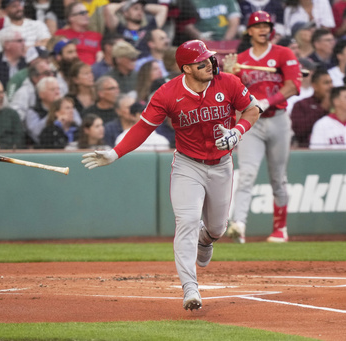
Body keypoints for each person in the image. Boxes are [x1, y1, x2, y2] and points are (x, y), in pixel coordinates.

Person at [81, 40, 260, 311]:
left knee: (217, 228)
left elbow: (253, 109)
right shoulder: (167, 93)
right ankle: (190, 288)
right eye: (202, 62)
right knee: (187, 220)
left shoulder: (228, 82)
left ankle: (206, 239)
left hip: (222, 163)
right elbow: (143, 128)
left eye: (210, 59)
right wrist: (115, 153)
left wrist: (239, 130)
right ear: (187, 68)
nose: (210, 64)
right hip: (188, 165)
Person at [223, 11, 301, 244]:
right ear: (249, 31)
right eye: (257, 26)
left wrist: (268, 101)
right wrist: (229, 74)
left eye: (266, 25)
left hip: (277, 118)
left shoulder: (283, 53)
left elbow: (294, 85)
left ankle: (280, 229)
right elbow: (231, 92)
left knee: (278, 177)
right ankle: (239, 225)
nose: (262, 29)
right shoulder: (242, 58)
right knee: (246, 174)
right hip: (251, 121)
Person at [104, 0, 168, 52]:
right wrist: (125, 4)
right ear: (125, 13)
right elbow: (108, 9)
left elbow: (163, 9)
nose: (140, 12)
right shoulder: (119, 29)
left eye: (142, 9)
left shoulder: (149, 29)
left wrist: (143, 6)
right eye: (135, 9)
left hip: (146, 65)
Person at [291, 67, 333, 147]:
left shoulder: (338, 103)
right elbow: (299, 131)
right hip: (309, 149)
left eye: (331, 82)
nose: (330, 86)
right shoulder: (301, 104)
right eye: (326, 83)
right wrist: (323, 108)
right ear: (315, 86)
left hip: (338, 147)